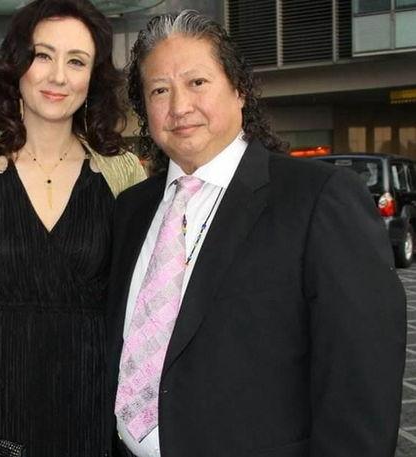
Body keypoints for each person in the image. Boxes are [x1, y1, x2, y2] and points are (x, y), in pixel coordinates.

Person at [105, 10, 407, 457]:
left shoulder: (318, 198)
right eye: (159, 90)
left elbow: (362, 382)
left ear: (239, 90)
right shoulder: (130, 210)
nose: (179, 106)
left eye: (197, 82)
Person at [0, 1, 145, 456]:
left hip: (91, 416)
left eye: (77, 61)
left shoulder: (122, 173)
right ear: (18, 64)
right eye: (44, 55)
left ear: (93, 77)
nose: (58, 76)